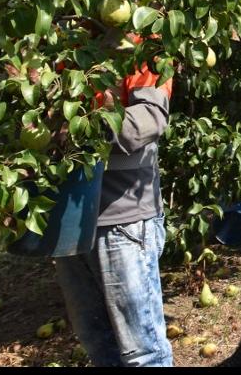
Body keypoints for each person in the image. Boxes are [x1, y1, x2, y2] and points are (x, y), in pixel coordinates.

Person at [54, 39, 174, 367]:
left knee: (142, 351)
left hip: (124, 216)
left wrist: (78, 126)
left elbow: (148, 120)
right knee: (97, 343)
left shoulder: (143, 47)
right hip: (71, 217)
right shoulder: (64, 44)